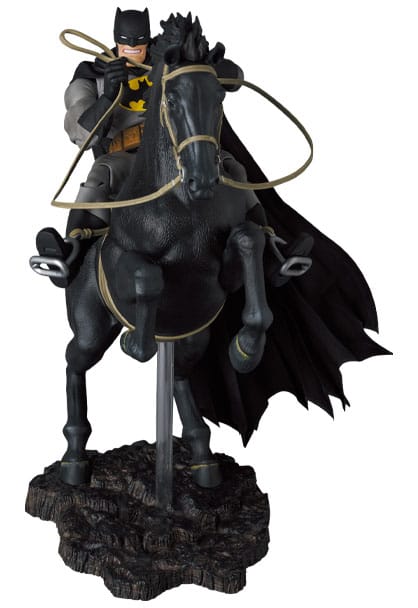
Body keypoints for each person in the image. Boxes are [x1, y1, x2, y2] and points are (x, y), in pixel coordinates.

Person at [35, 7, 255, 287]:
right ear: (116, 40)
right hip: (126, 158)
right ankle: (73, 250)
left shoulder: (169, 60)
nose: (132, 49)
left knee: (230, 166)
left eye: (139, 44)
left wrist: (210, 66)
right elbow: (80, 134)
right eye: (125, 44)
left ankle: (269, 242)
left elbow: (235, 78)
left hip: (178, 152)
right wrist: (108, 96)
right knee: (102, 173)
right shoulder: (93, 74)